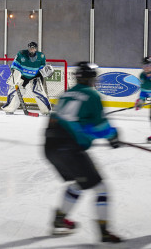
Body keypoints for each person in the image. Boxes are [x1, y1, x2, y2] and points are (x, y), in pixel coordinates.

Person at [44, 61, 122, 244]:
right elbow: (101, 126)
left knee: (81, 181)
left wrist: (86, 134)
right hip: (68, 148)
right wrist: (113, 137)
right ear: (91, 79)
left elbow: (69, 122)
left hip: (49, 147)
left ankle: (60, 218)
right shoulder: (92, 95)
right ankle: (104, 231)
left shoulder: (66, 94)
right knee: (101, 188)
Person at [1, 41, 53, 115]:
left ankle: (46, 111)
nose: (32, 50)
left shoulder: (41, 56)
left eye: (33, 48)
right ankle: (9, 109)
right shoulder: (21, 54)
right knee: (14, 90)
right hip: (23, 76)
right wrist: (14, 75)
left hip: (35, 76)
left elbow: (43, 68)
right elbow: (15, 66)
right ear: (28, 48)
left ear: (36, 49)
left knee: (39, 91)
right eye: (30, 48)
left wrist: (47, 71)